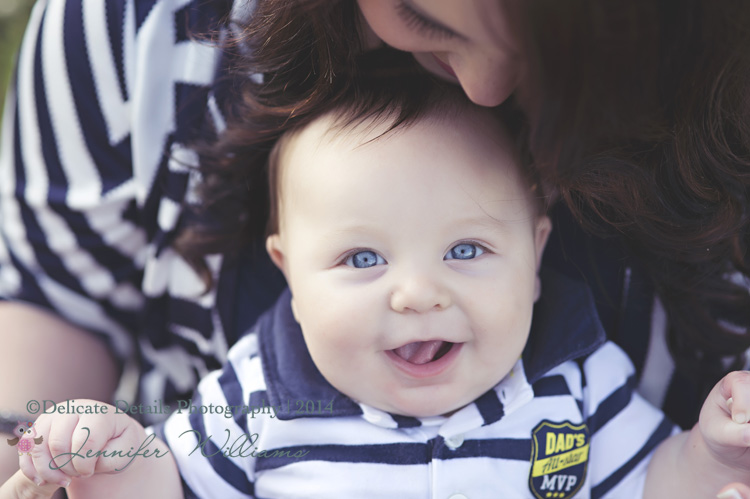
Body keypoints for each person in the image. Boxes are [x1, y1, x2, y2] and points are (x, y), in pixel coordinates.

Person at [2, 0, 749, 493]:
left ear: (537, 256)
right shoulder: (263, 394)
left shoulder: (570, 377)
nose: (418, 293)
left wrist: (712, 452)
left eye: (467, 251)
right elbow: (171, 477)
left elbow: (651, 478)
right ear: (287, 275)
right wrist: (103, 452)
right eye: (362, 259)